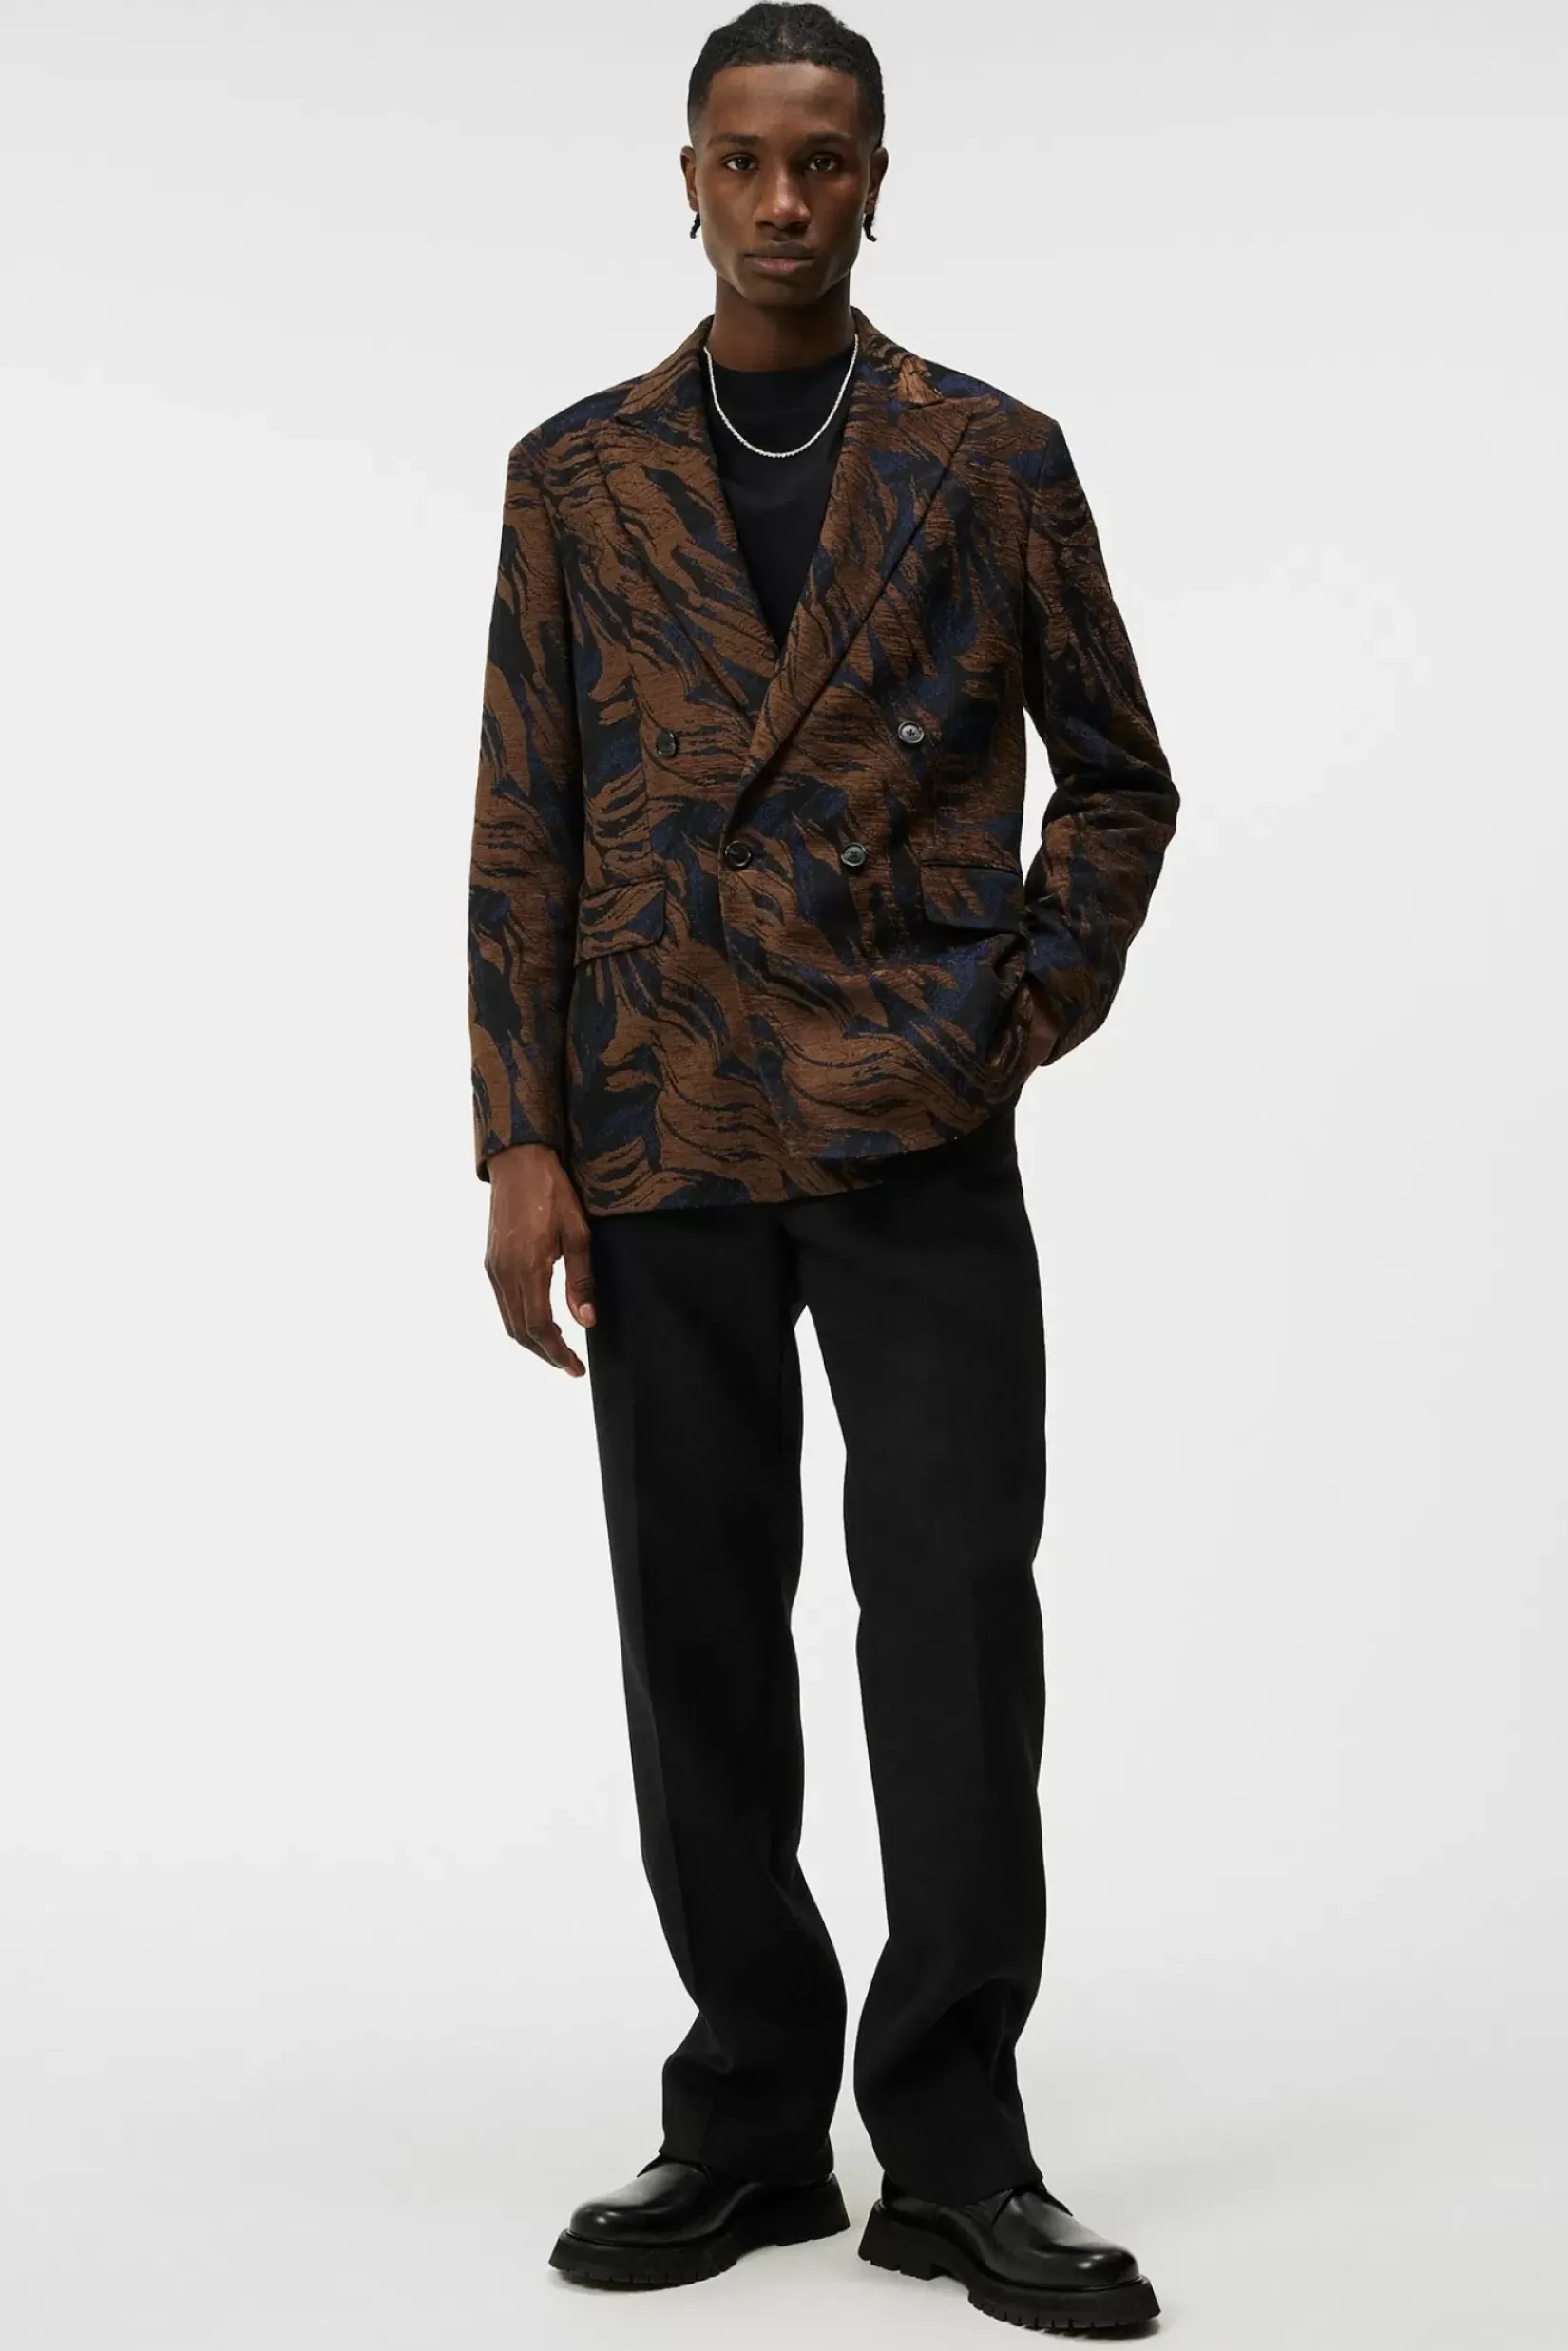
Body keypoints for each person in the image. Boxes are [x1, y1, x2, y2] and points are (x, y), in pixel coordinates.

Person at [467, 4, 1177, 2332]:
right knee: (694, 1623)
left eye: (828, 158)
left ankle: (957, 2148)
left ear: (880, 178)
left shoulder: (989, 456)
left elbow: (1121, 777)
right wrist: (519, 1134)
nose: (786, 198)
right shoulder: (577, 477)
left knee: (955, 1617)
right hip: (658, 1122)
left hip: (911, 1123)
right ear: (685, 179)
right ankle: (752, 2116)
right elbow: (527, 819)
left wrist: (1009, 1011)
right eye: (747, 159)